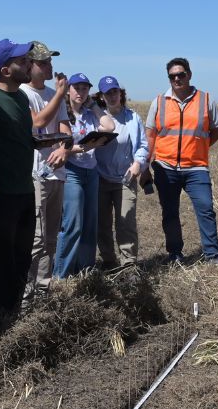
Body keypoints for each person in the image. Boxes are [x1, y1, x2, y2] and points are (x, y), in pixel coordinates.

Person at [0, 39, 36, 335]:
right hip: (0, 195)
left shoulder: (22, 98)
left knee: (21, 259)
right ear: (5, 70)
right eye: (22, 61)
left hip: (25, 190)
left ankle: (12, 320)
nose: (29, 64)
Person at [145, 58, 218, 264]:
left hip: (196, 167)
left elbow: (217, 131)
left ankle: (213, 254)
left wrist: (198, 147)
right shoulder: (159, 102)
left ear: (189, 74)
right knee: (170, 212)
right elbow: (150, 136)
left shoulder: (206, 100)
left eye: (181, 74)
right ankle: (175, 254)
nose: (177, 79)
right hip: (165, 167)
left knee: (206, 208)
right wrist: (145, 165)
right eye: (172, 76)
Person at [20, 41, 70, 304]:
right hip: (34, 173)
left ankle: (42, 291)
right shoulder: (23, 93)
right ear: (30, 66)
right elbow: (37, 122)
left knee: (51, 238)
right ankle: (26, 293)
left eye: (50, 61)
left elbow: (66, 131)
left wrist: (63, 149)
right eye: (44, 63)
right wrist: (60, 94)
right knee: (36, 238)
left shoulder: (53, 94)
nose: (50, 67)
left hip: (56, 174)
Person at [54, 73, 116, 277]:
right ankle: (62, 274)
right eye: (77, 88)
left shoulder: (89, 114)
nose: (80, 92)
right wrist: (87, 146)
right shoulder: (62, 113)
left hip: (91, 171)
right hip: (71, 171)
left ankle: (85, 270)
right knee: (73, 223)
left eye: (85, 88)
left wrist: (94, 105)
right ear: (68, 90)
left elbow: (110, 127)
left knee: (90, 223)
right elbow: (61, 146)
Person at [94, 75, 147, 267]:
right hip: (100, 178)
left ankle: (129, 263)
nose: (112, 96)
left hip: (125, 178)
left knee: (126, 222)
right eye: (107, 93)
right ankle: (108, 261)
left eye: (115, 91)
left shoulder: (132, 118)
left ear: (120, 93)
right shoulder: (95, 117)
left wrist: (138, 163)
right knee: (102, 223)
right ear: (101, 96)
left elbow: (142, 145)